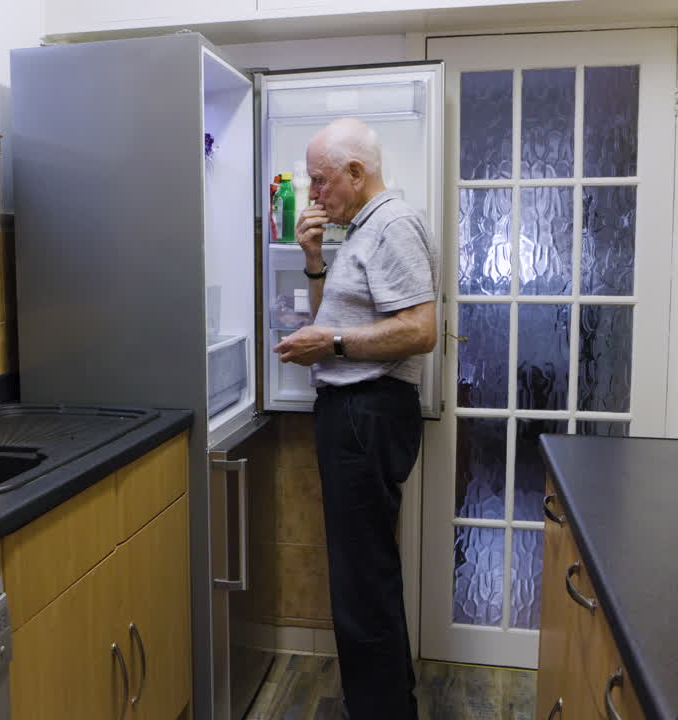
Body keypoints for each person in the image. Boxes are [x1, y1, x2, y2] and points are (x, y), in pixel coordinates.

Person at [272, 117, 437, 719]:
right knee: (361, 574)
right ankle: (381, 705)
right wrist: (314, 259)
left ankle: (382, 712)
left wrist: (334, 347)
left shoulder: (390, 224)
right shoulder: (361, 230)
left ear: (356, 173)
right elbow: (330, 322)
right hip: (355, 412)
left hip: (367, 412)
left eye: (320, 181)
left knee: (363, 581)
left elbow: (421, 331)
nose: (315, 194)